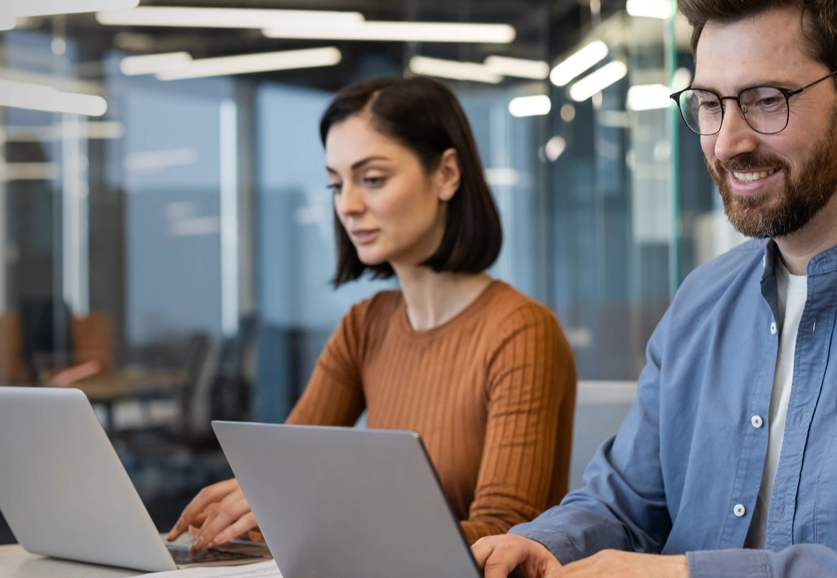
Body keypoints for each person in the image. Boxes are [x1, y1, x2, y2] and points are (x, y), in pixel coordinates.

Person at [472, 1, 837, 577]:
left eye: (765, 100)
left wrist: (692, 575)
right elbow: (624, 505)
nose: (727, 142)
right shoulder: (700, 303)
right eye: (709, 104)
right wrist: (547, 543)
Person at [166, 76, 578, 553]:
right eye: (336, 184)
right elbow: (283, 472)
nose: (348, 205)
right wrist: (258, 503)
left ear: (447, 174)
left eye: (373, 179)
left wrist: (323, 515)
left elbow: (504, 534)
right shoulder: (366, 325)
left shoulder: (521, 331)